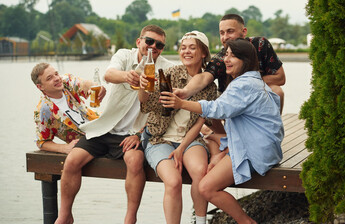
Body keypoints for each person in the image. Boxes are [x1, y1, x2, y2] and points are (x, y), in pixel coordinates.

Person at [55, 25, 174, 224]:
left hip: (135, 133)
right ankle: (65, 215)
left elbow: (164, 110)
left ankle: (130, 218)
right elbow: (109, 74)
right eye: (149, 41)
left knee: (135, 161)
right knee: (72, 161)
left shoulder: (166, 68)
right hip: (106, 128)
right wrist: (127, 76)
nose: (153, 47)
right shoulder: (124, 56)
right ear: (139, 41)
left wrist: (140, 133)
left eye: (160, 45)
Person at [160, 38, 284, 224]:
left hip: (256, 150)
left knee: (206, 188)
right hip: (264, 145)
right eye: (226, 55)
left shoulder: (244, 84)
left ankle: (246, 222)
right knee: (209, 138)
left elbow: (218, 109)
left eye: (233, 56)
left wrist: (181, 103)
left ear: (246, 60)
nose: (226, 59)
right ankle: (222, 155)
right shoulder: (254, 80)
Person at [138, 31, 217, 224]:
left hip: (190, 140)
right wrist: (142, 87)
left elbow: (201, 122)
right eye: (183, 48)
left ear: (203, 53)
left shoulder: (209, 86)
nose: (186, 51)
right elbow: (146, 106)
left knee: (200, 171)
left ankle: (200, 221)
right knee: (173, 181)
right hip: (159, 138)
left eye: (192, 47)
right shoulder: (169, 74)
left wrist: (181, 148)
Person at [175, 13, 286, 113]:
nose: (225, 37)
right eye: (222, 33)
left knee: (277, 91)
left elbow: (280, 78)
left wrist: (247, 84)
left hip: (258, 94)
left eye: (230, 31)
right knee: (209, 100)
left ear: (244, 31)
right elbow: (204, 77)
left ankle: (273, 130)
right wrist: (185, 92)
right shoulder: (220, 58)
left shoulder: (260, 45)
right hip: (230, 100)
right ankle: (222, 132)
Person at [31, 63, 106, 154]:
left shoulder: (65, 81)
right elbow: (41, 142)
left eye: (56, 74)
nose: (57, 78)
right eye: (49, 78)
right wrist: (64, 148)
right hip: (87, 142)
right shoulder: (43, 111)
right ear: (40, 87)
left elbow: (83, 84)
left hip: (100, 124)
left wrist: (93, 86)